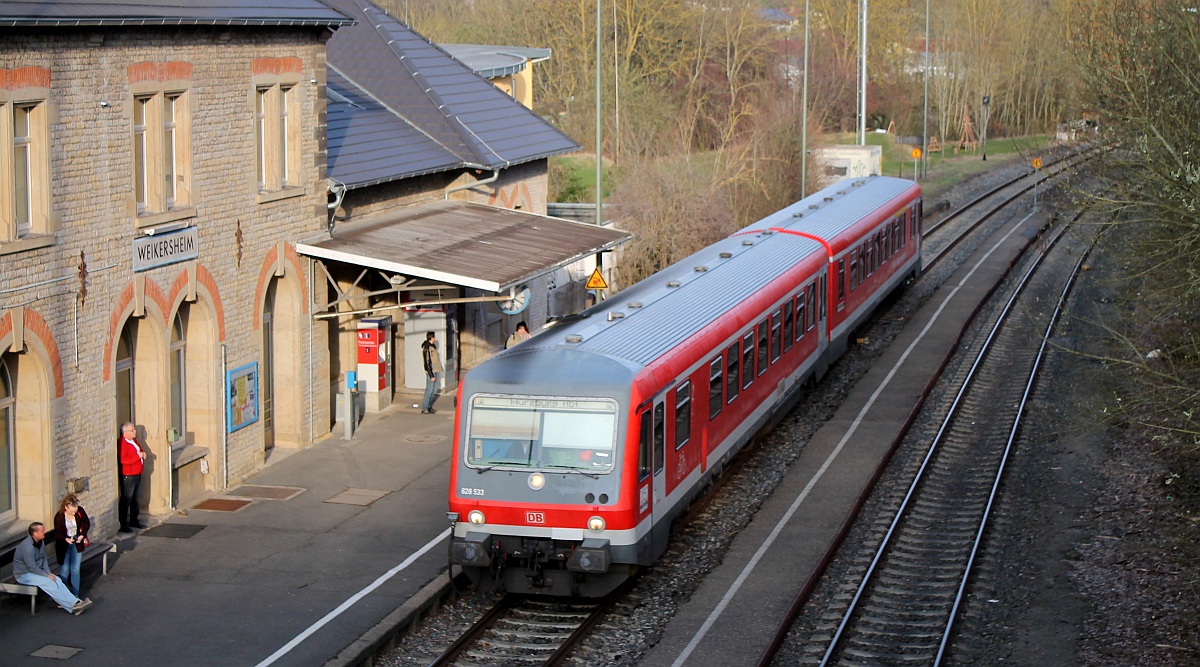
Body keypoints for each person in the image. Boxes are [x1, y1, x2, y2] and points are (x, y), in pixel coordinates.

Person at [13, 522, 92, 615]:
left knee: (57, 580)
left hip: (35, 571)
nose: (44, 532)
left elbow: (43, 559)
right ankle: (73, 606)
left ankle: (76, 602)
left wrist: (48, 573)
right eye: (42, 531)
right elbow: (31, 567)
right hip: (24, 574)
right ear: (35, 534)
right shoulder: (27, 547)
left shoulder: (40, 542)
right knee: (49, 583)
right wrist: (46, 575)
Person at [53, 493, 91, 597]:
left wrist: (82, 535)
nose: (74, 513)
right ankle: (64, 596)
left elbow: (86, 522)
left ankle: (75, 596)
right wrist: (65, 539)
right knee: (64, 570)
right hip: (64, 546)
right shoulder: (59, 517)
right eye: (72, 511)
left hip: (76, 543)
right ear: (66, 507)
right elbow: (58, 534)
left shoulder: (80, 511)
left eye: (76, 510)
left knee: (75, 569)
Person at [117, 422, 147, 532]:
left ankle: (134, 520)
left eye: (134, 430)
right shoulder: (122, 443)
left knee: (136, 499)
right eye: (132, 430)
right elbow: (123, 460)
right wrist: (137, 456)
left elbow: (139, 450)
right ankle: (123, 524)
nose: (135, 432)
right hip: (128, 476)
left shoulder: (133, 441)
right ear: (125, 432)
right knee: (126, 500)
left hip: (137, 473)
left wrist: (143, 453)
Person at [420, 331, 442, 414]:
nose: (435, 338)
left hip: (436, 370)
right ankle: (424, 408)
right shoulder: (427, 348)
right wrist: (431, 375)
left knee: (434, 390)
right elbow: (427, 363)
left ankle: (429, 406)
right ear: (431, 338)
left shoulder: (433, 347)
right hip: (431, 372)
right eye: (434, 337)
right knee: (429, 390)